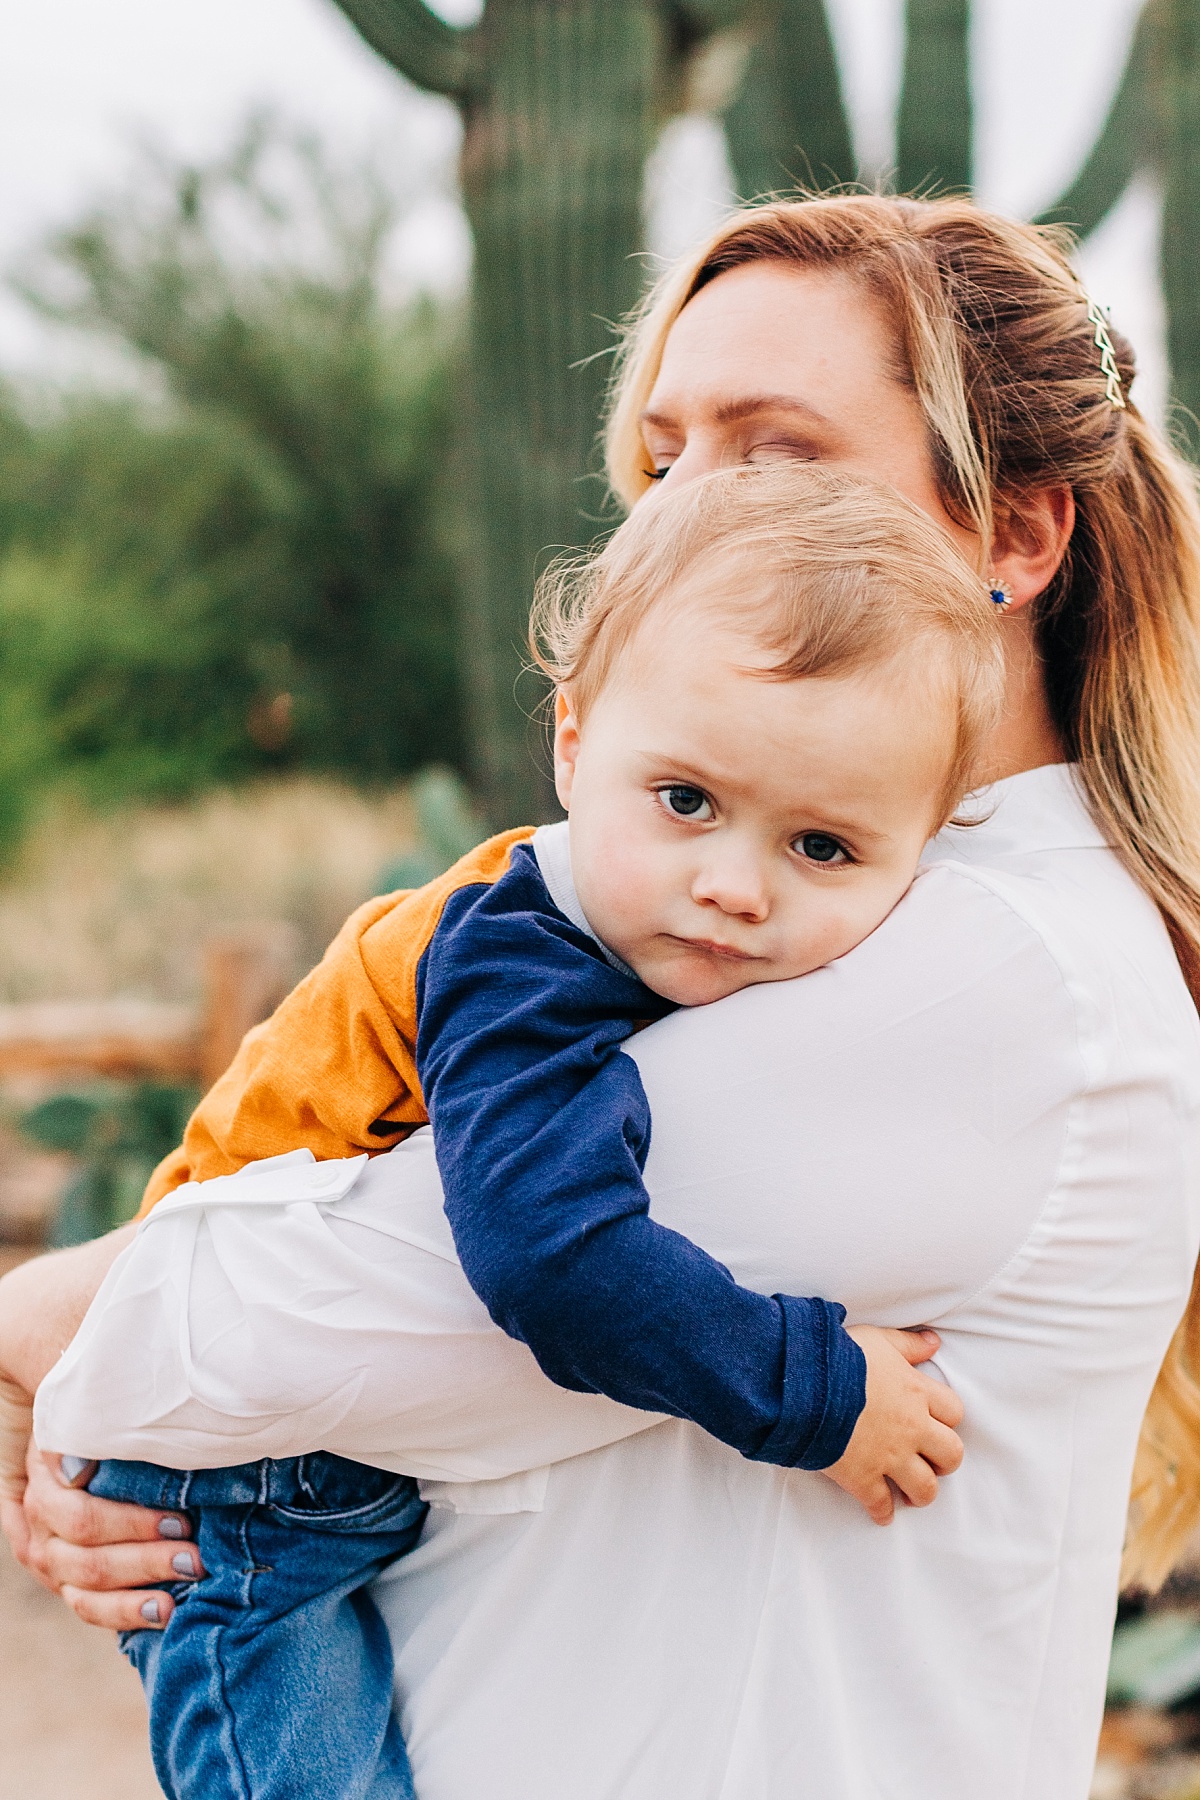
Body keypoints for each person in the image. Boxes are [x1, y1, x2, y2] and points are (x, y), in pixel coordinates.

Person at [5, 192, 1200, 1800]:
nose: (667, 522)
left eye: (772, 454)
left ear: (1017, 538)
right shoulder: (776, 924)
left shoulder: (995, 974)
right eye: (661, 459)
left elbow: (297, 1332)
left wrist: (50, 1330)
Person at [30, 462, 988, 1800]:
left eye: (822, 848)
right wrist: (818, 1393)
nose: (732, 887)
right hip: (245, 1477)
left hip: (319, 1442)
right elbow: (547, 1254)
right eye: (687, 802)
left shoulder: (659, 933)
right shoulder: (516, 962)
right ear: (575, 746)